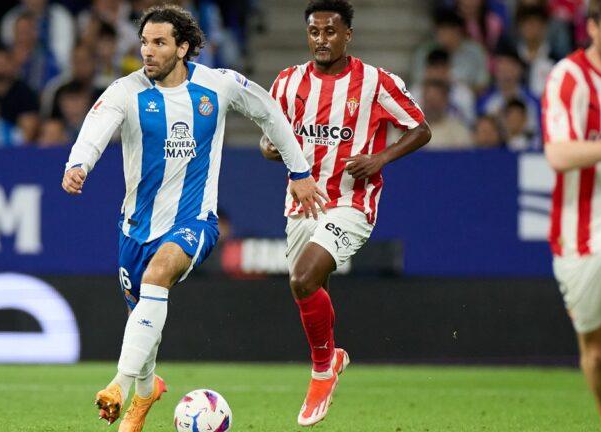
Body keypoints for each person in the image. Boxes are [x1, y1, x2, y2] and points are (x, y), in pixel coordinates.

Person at [62, 5, 327, 431]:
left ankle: (119, 385)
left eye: (159, 42)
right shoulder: (126, 91)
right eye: (145, 42)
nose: (148, 51)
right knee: (143, 320)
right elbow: (96, 127)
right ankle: (147, 391)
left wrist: (298, 171)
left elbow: (269, 112)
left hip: (195, 220)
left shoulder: (217, 85)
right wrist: (79, 165)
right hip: (135, 229)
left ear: (183, 47)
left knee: (158, 275)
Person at [260, 0, 431, 426]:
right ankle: (331, 356)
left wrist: (380, 158)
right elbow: (270, 141)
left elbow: (420, 128)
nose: (322, 39)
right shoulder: (286, 82)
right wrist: (273, 147)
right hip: (302, 202)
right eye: (315, 32)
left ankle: (322, 371)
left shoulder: (376, 81)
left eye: (330, 32)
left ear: (347, 35)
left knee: (303, 277)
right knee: (306, 288)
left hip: (352, 202)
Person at [543, 0, 601, 422]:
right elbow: (559, 154)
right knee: (596, 355)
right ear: (594, 27)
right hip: (584, 232)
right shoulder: (571, 77)